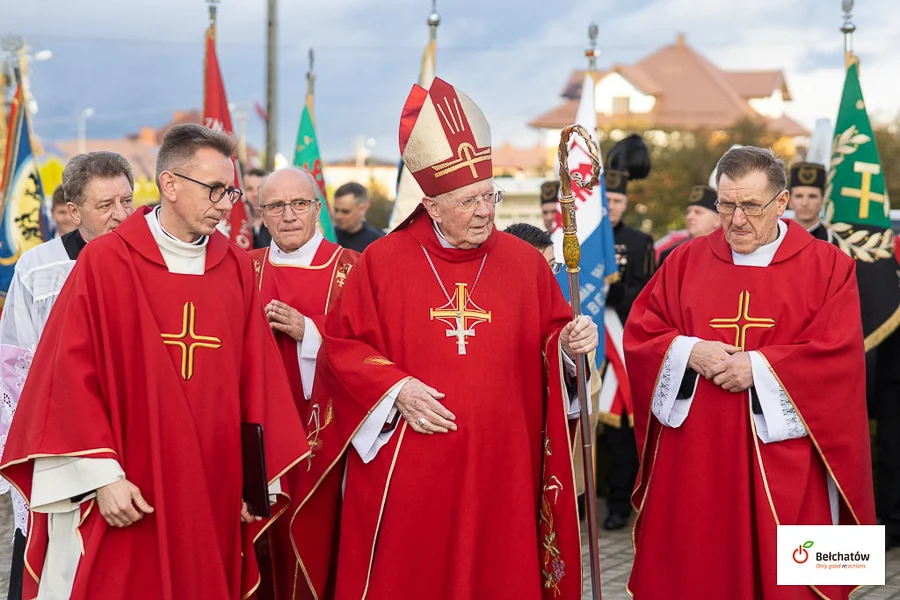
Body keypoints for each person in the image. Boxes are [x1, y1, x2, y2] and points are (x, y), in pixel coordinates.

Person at [292, 77, 598, 600]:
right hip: (411, 467)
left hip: (502, 470)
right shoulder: (382, 264)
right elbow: (343, 349)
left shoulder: (524, 263)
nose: (484, 212)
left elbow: (552, 340)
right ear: (431, 206)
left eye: (489, 196)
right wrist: (397, 390)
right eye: (468, 202)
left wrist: (569, 348)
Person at [0, 124, 308, 600]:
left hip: (213, 488)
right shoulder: (106, 263)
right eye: (216, 190)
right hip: (129, 488)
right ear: (170, 184)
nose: (227, 204)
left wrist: (254, 481)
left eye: (231, 190)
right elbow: (68, 379)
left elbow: (258, 379)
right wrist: (101, 477)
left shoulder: (237, 270)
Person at [624, 146, 874, 599]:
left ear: (781, 204)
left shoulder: (829, 266)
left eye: (751, 206)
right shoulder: (684, 260)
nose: (736, 220)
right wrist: (688, 349)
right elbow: (642, 332)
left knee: (794, 580)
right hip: (697, 457)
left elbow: (838, 358)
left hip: (786, 460)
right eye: (726, 204)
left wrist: (758, 366)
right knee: (697, 571)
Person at [0, 151, 136, 600]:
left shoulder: (150, 262)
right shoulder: (38, 270)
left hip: (131, 442)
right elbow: (14, 364)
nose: (120, 216)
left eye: (127, 202)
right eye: (105, 206)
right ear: (73, 212)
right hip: (57, 442)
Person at [248, 167, 359, 598]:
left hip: (330, 443)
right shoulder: (244, 269)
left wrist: (308, 332)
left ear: (318, 209)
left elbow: (370, 350)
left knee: (323, 547)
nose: (288, 215)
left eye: (299, 204)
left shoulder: (351, 268)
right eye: (276, 206)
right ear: (262, 214)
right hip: (259, 442)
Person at [599, 134, 655, 531]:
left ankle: (619, 503)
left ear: (626, 203)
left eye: (617, 202)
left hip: (620, 339)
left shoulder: (639, 241)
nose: (612, 208)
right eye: (606, 202)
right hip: (587, 340)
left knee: (619, 426)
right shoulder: (579, 239)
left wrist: (614, 290)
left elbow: (647, 290)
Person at [659, 184, 720, 265]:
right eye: (688, 212)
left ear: (718, 219)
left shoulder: (729, 254)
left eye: (698, 212)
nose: (689, 217)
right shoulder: (671, 255)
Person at [332, 182, 384, 252]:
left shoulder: (378, 242)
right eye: (336, 210)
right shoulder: (327, 237)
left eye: (345, 211)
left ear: (363, 208)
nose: (338, 216)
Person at [788, 161, 829, 241]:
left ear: (822, 201)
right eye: (799, 196)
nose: (805, 203)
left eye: (812, 196)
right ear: (789, 201)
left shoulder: (835, 242)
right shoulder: (775, 239)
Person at [243, 167, 272, 249]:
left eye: (260, 188)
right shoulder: (232, 226)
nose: (255, 194)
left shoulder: (277, 225)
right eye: (249, 189)